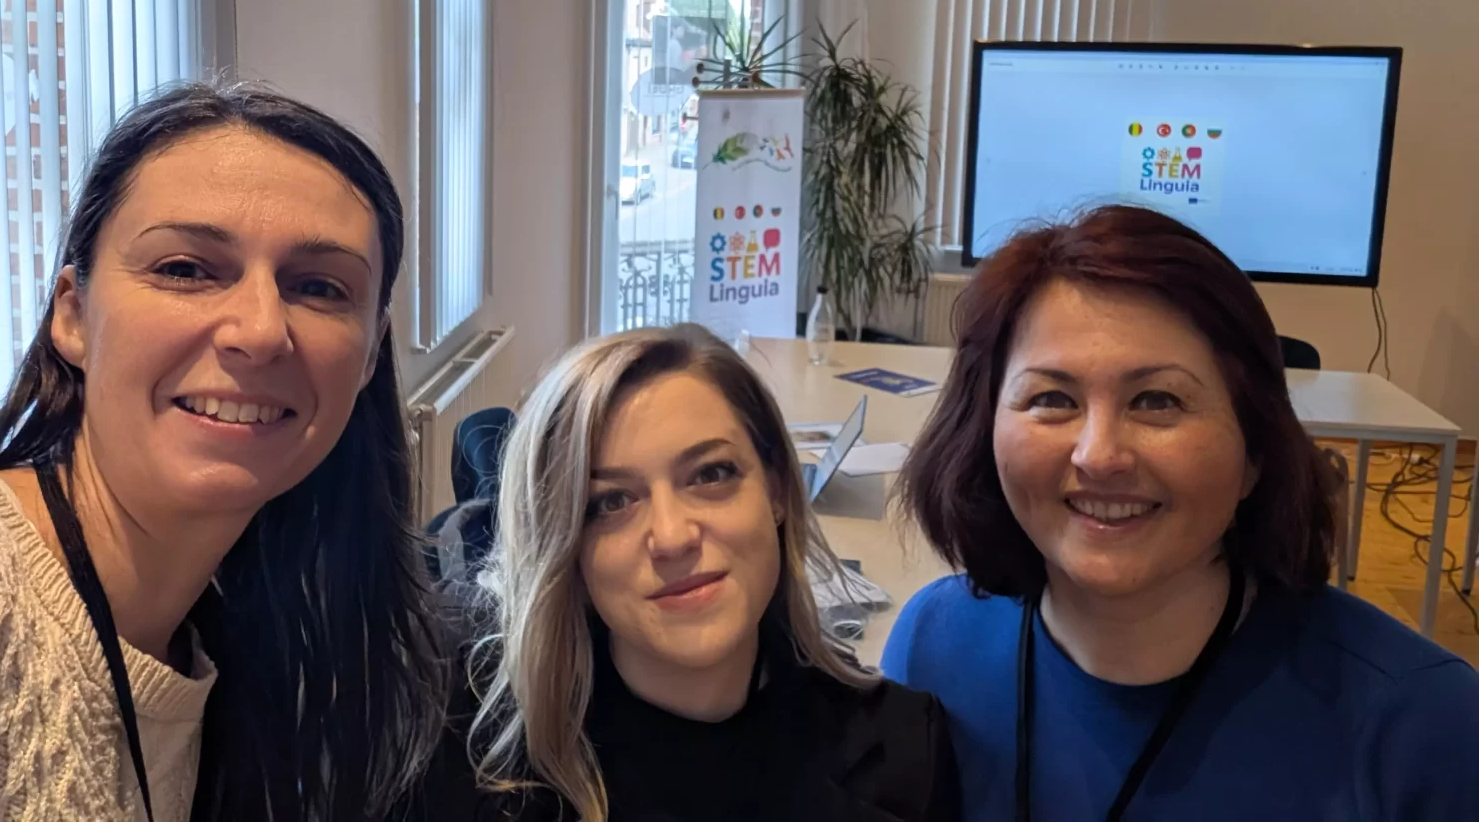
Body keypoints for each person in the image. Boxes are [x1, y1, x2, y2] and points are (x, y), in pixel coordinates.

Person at [0, 83, 447, 820]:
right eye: (185, 269)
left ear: (371, 354)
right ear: (74, 316)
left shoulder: (253, 657)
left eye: (318, 287)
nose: (260, 331)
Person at [883, 204, 1479, 821]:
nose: (1099, 456)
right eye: (1052, 398)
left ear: (1255, 451)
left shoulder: (1423, 728)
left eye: (1157, 401)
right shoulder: (934, 646)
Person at [413, 325, 959, 822]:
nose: (672, 537)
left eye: (711, 474)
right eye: (611, 502)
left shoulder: (903, 755)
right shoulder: (468, 758)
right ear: (566, 548)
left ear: (776, 489)